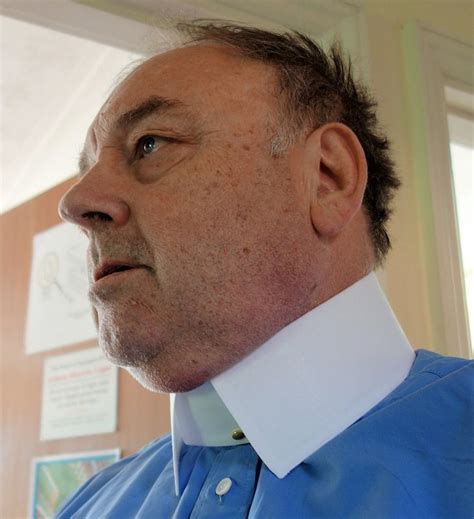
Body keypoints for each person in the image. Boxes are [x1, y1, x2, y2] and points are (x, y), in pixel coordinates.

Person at [57, 21, 472, 518]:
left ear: (328, 178)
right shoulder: (85, 505)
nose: (75, 204)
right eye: (87, 170)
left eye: (151, 143)